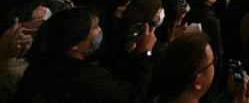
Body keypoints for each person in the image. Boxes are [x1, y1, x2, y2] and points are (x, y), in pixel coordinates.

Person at [16, 7, 155, 102]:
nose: (100, 30)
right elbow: (136, 96)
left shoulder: (43, 65)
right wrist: (145, 53)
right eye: (95, 27)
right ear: (74, 45)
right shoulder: (84, 80)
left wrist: (125, 51)